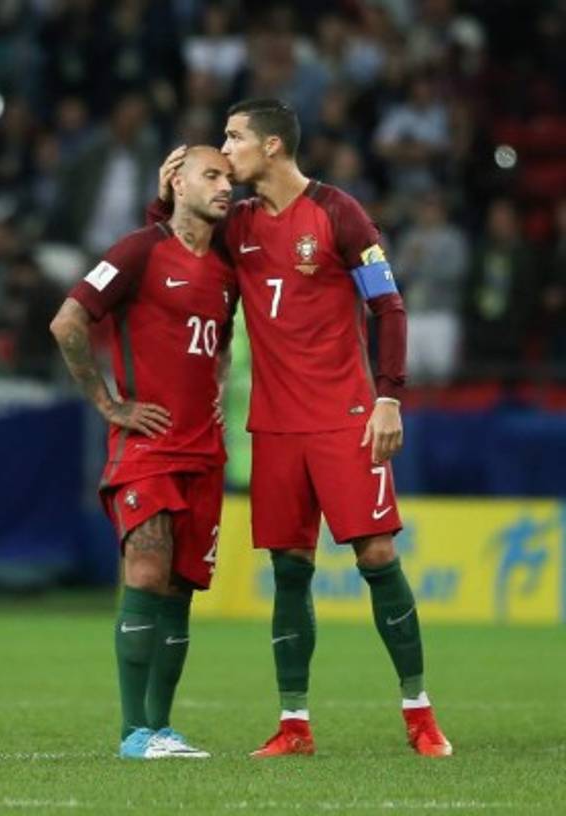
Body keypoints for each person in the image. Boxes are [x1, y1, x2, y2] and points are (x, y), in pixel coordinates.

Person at [152, 99, 451, 757]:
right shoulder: (239, 224)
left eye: (233, 138)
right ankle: (294, 725)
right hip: (277, 429)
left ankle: (419, 714)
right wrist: (163, 197)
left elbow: (389, 306)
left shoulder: (339, 213)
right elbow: (178, 244)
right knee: (290, 570)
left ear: (273, 147)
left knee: (376, 557)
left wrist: (389, 398)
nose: (225, 152)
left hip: (346, 419)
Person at [50, 146, 235, 760]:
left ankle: (161, 728)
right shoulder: (137, 250)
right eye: (212, 174)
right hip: (147, 447)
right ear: (177, 182)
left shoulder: (229, 265)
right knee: (148, 569)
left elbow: (223, 342)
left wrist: (220, 388)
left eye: (229, 177)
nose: (225, 185)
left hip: (204, 452)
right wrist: (109, 404)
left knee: (181, 589)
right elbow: (67, 322)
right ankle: (133, 733)